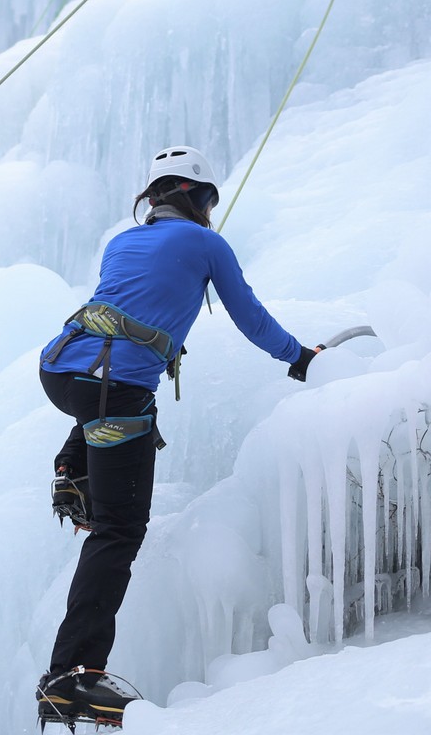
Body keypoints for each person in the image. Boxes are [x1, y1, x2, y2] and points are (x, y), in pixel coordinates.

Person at [33, 145, 321, 725]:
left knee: (119, 412)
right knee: (119, 529)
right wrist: (300, 358)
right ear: (195, 196)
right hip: (112, 393)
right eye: (209, 198)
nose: (211, 210)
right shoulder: (206, 244)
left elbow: (130, 303)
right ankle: (72, 675)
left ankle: (74, 470)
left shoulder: (121, 240)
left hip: (61, 372)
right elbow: (250, 317)